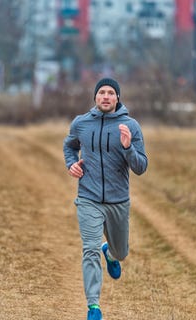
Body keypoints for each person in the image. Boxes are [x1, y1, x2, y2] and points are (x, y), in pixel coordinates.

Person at [63, 78, 148, 320]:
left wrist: (128, 147)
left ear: (118, 98)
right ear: (95, 97)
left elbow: (141, 167)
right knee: (89, 250)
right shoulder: (81, 124)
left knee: (121, 252)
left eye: (111, 93)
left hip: (118, 201)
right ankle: (93, 307)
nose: (106, 96)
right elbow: (69, 146)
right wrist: (72, 164)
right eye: (102, 92)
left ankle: (110, 254)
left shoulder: (130, 126)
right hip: (88, 197)